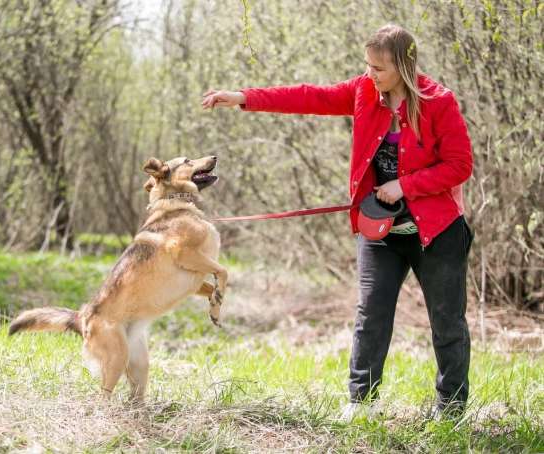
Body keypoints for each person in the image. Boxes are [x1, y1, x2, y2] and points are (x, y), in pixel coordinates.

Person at [201, 24, 473, 420]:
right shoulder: (364, 91)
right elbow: (309, 96)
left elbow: (460, 165)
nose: (371, 73)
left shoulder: (438, 102)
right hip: (379, 230)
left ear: (403, 65)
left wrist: (406, 185)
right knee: (370, 315)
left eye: (379, 67)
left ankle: (451, 409)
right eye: (367, 65)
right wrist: (244, 97)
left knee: (447, 321)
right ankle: (360, 404)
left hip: (436, 232)